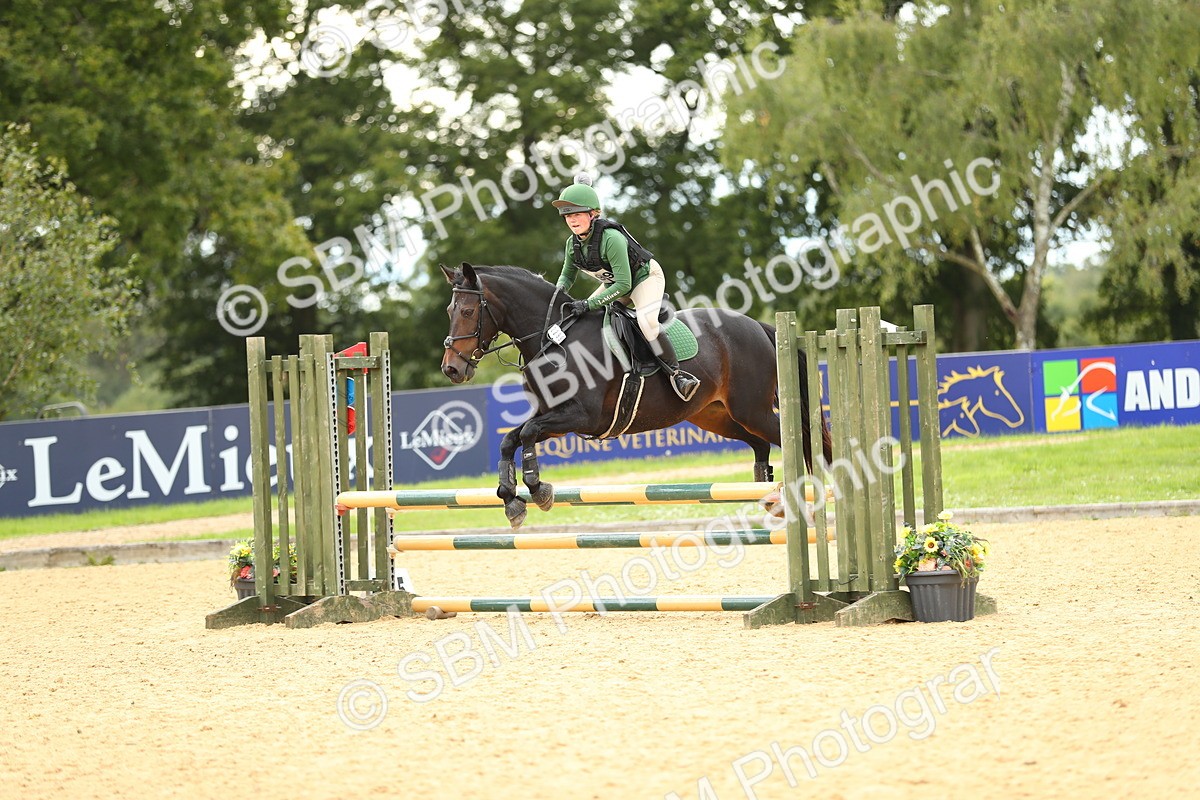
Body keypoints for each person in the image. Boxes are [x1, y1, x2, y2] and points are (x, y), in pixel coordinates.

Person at [551, 175, 701, 402]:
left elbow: (625, 284)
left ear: (593, 214)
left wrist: (589, 303)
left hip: (644, 279)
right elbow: (567, 275)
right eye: (568, 216)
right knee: (582, 318)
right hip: (616, 284)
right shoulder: (572, 245)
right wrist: (556, 294)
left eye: (577, 214)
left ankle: (678, 375)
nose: (572, 220)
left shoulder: (611, 238)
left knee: (646, 322)